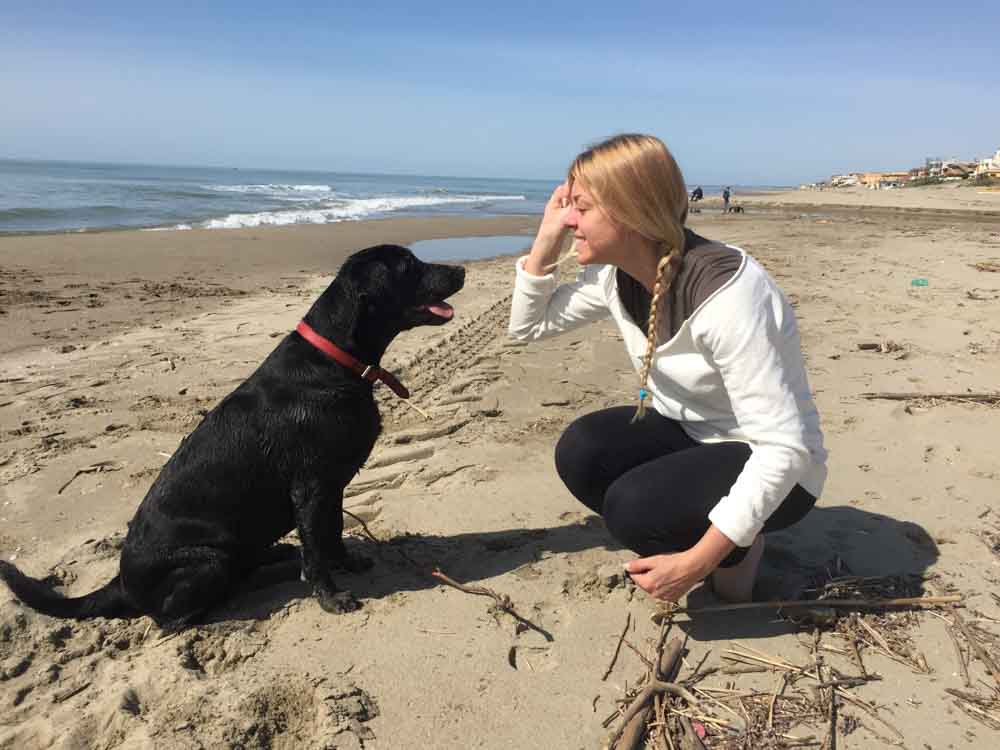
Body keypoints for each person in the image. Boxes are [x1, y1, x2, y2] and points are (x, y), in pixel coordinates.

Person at [508, 134, 826, 603]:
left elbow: (784, 448)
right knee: (583, 450)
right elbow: (527, 327)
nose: (569, 219)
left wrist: (697, 561)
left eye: (581, 207)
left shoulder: (729, 295)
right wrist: (546, 237)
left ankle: (736, 557)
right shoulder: (618, 276)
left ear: (630, 212)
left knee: (633, 508)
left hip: (779, 468)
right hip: (691, 431)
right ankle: (727, 529)